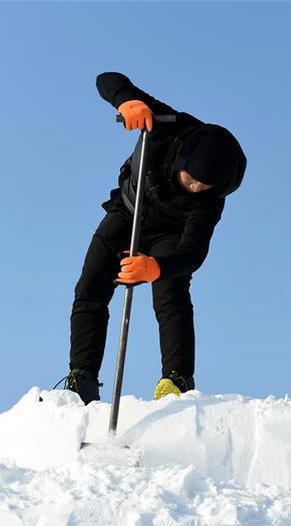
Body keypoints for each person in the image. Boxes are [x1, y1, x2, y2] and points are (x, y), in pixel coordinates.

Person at [63, 72, 247, 405]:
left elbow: (193, 252)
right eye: (191, 178)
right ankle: (82, 378)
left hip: (169, 236)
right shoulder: (167, 124)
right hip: (128, 212)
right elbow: (107, 78)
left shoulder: (210, 199)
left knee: (171, 295)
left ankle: (176, 380)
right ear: (184, 159)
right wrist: (126, 100)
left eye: (203, 186)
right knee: (90, 288)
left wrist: (155, 269)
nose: (194, 187)